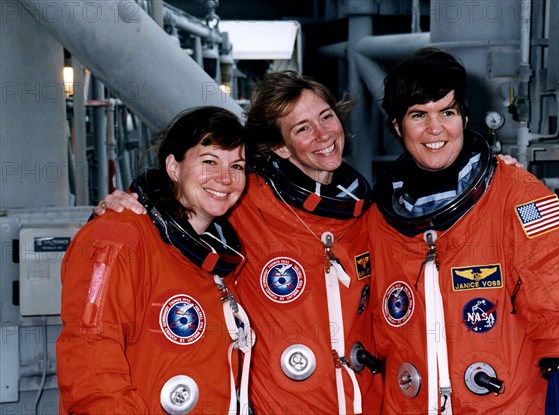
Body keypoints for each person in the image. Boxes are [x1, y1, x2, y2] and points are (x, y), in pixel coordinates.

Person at [93, 71, 383, 414]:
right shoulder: (244, 202)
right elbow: (181, 200)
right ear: (280, 146)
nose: (323, 135)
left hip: (363, 401)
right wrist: (124, 203)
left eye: (326, 116)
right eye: (302, 128)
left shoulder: (371, 217)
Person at [368, 47, 559, 414]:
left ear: (464, 116)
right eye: (418, 115)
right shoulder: (379, 220)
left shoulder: (519, 197)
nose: (435, 129)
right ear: (396, 125)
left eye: (447, 112)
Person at [57, 106, 254, 415]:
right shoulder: (119, 234)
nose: (225, 178)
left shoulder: (219, 257)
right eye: (209, 162)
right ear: (173, 167)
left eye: (238, 166)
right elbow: (90, 362)